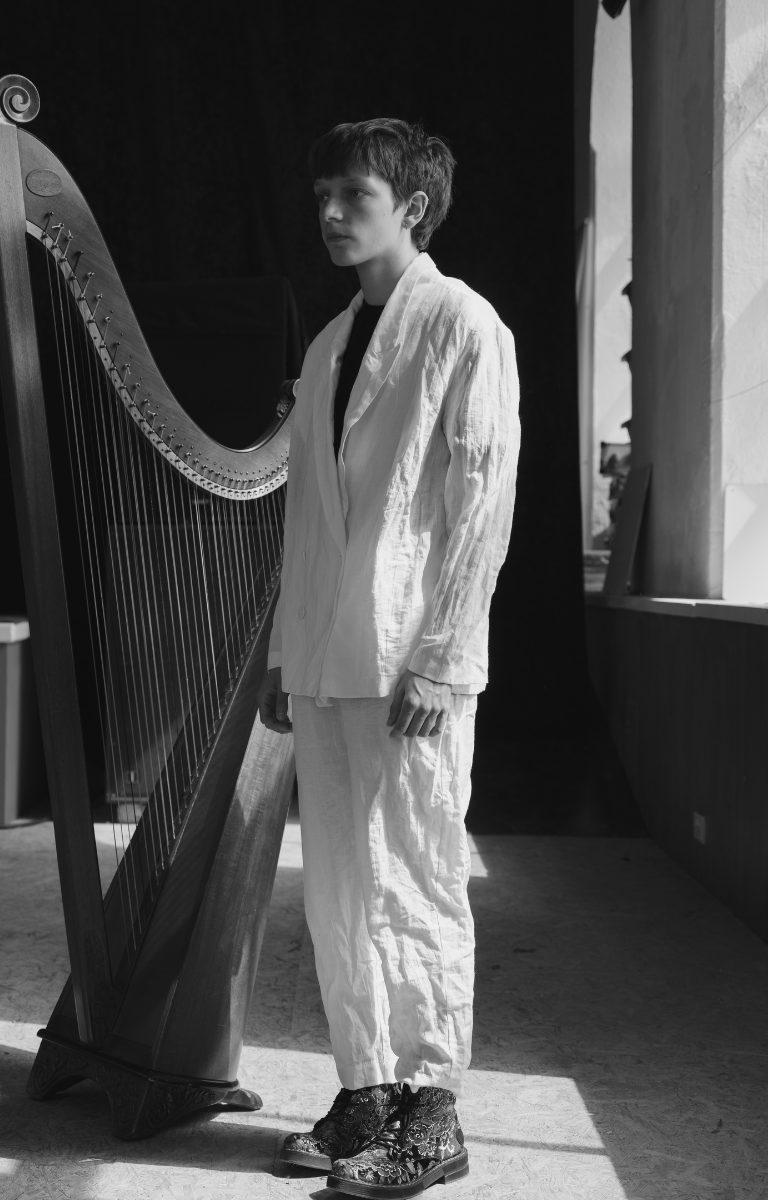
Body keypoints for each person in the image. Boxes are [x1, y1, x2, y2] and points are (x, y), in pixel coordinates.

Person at [257, 118, 520, 1198]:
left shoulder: (464, 323)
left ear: (412, 206)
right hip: (326, 656)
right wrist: (289, 649)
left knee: (415, 878)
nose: (328, 210)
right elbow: (310, 524)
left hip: (411, 657)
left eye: (352, 193)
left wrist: (445, 653)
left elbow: (479, 499)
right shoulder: (328, 345)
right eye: (321, 190)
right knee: (335, 891)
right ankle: (366, 1090)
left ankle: (434, 1112)